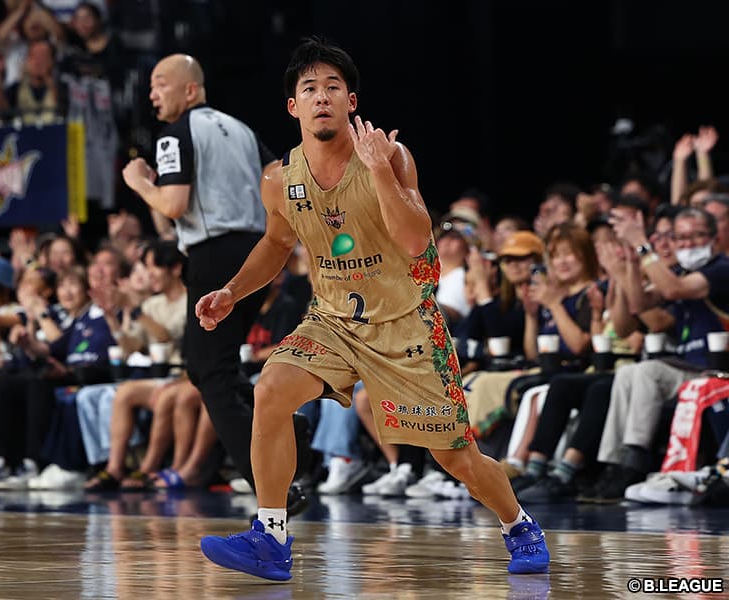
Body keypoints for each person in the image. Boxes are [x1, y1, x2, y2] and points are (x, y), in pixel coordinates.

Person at [196, 37, 549, 581]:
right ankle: (271, 536)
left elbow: (414, 240)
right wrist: (231, 291)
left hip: (406, 324)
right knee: (270, 389)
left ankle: (518, 524)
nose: (321, 97)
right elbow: (276, 243)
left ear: (351, 101)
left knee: (455, 458)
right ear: (293, 106)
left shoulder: (391, 157)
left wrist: (380, 170)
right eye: (309, 89)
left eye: (332, 87)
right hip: (333, 321)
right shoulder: (278, 179)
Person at [120, 53, 310, 512]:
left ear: (190, 89)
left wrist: (139, 182)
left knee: (211, 372)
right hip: (257, 254)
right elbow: (278, 178)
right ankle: (289, 427)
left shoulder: (175, 133)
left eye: (160, 84)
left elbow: (173, 204)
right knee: (210, 366)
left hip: (213, 256)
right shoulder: (241, 129)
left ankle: (273, 486)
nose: (152, 94)